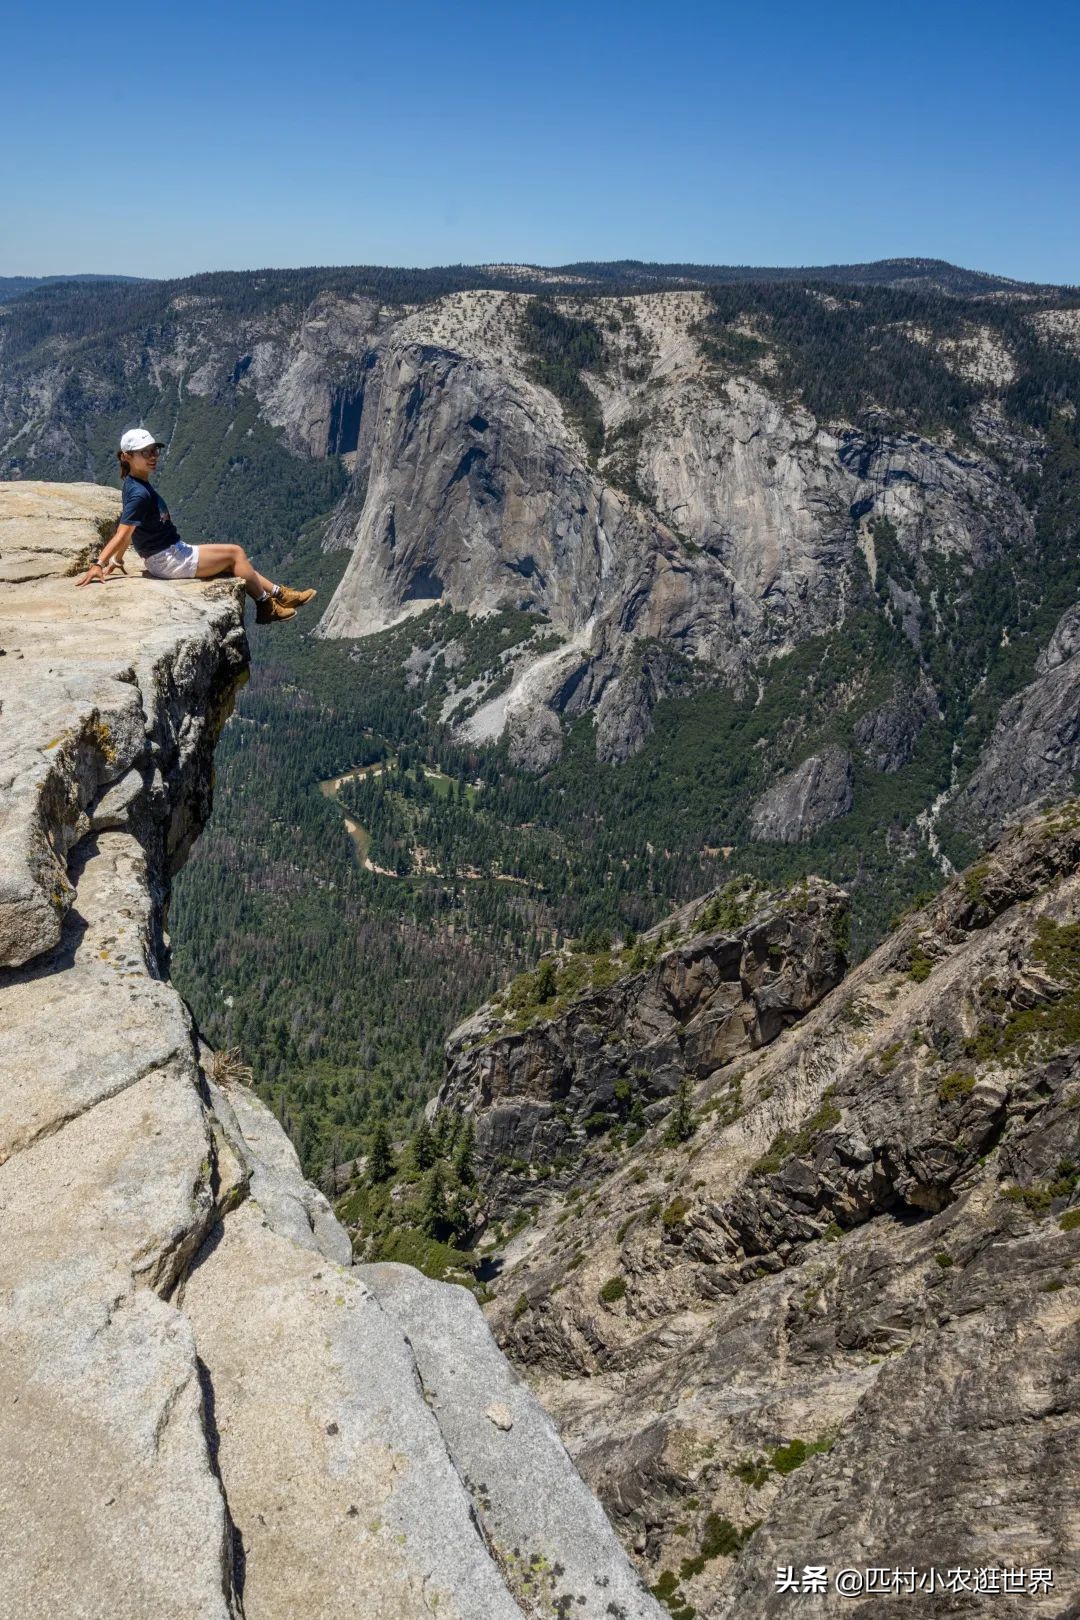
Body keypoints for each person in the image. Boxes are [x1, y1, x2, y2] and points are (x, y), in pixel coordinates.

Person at [76, 427, 316, 624]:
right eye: (144, 452)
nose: (153, 456)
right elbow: (123, 532)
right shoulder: (140, 494)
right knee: (235, 554)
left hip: (170, 553)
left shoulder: (135, 483)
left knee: (234, 562)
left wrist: (118, 560)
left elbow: (131, 531)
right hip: (167, 559)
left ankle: (279, 594)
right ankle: (267, 607)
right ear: (126, 456)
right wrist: (99, 563)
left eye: (154, 450)